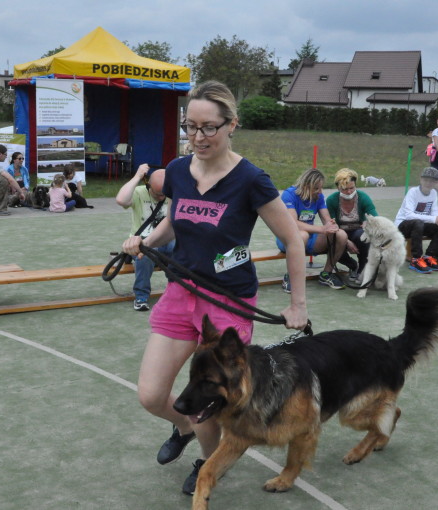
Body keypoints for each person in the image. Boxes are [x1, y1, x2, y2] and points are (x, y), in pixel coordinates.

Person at [121, 80, 307, 496]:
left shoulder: (251, 180)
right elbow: (176, 220)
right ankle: (185, 428)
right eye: (191, 127)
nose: (198, 137)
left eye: (209, 128)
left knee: (210, 403)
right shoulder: (177, 171)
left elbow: (293, 240)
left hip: (228, 303)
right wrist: (146, 241)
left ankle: (207, 465)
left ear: (231, 125)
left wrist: (298, 305)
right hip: (181, 293)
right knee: (151, 395)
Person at [275, 168, 348, 290]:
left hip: (310, 238)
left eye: (321, 188)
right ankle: (290, 276)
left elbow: (327, 220)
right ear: (306, 186)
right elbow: (293, 224)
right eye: (316, 188)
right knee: (302, 235)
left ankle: (326, 274)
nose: (320, 192)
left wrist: (332, 226)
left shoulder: (319, 196)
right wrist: (322, 229)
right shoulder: (289, 194)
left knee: (341, 235)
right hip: (287, 238)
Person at [115, 163, 174, 311]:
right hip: (142, 241)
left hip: (167, 241)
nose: (161, 197)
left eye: (164, 194)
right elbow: (121, 200)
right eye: (157, 194)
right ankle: (141, 296)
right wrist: (138, 176)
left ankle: (176, 294)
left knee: (182, 252)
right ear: (148, 186)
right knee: (145, 255)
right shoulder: (139, 192)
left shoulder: (174, 192)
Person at [325, 167, 378, 283]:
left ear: (355, 186)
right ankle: (353, 265)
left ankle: (362, 270)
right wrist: (346, 241)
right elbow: (331, 225)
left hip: (358, 231)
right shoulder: (331, 200)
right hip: (339, 232)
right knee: (331, 243)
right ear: (338, 187)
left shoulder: (363, 197)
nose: (349, 192)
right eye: (344, 189)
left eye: (352, 188)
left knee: (363, 237)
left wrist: (368, 222)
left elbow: (375, 218)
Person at [395, 167, 438, 273]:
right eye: (426, 180)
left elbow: (434, 213)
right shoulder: (413, 192)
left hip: (419, 226)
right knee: (418, 223)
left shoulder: (433, 193)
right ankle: (416, 259)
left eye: (432, 181)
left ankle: (429, 256)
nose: (428, 183)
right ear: (421, 179)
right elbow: (409, 215)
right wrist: (434, 218)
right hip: (403, 225)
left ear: (436, 183)